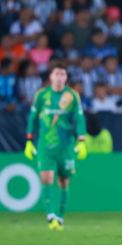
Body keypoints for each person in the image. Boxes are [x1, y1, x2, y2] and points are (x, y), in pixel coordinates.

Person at [24, 64, 87, 231]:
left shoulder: (72, 96)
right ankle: (50, 215)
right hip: (45, 145)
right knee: (46, 178)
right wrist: (29, 140)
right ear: (51, 77)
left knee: (64, 181)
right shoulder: (42, 95)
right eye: (57, 73)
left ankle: (59, 216)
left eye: (63, 74)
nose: (59, 77)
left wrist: (81, 140)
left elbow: (79, 119)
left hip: (66, 146)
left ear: (66, 77)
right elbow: (32, 118)